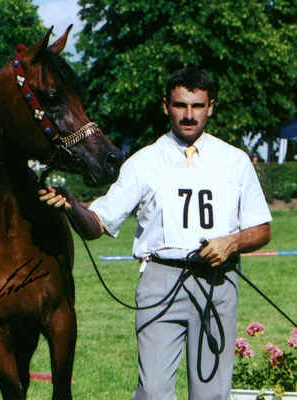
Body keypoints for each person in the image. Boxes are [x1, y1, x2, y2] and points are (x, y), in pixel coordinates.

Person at [39, 66, 272, 399]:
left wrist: (232, 242)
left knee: (212, 393)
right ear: (166, 106)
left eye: (197, 106)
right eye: (180, 105)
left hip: (218, 281)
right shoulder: (143, 162)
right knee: (152, 392)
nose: (189, 115)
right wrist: (72, 206)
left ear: (210, 107)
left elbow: (261, 230)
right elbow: (98, 223)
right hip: (160, 281)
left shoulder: (235, 160)